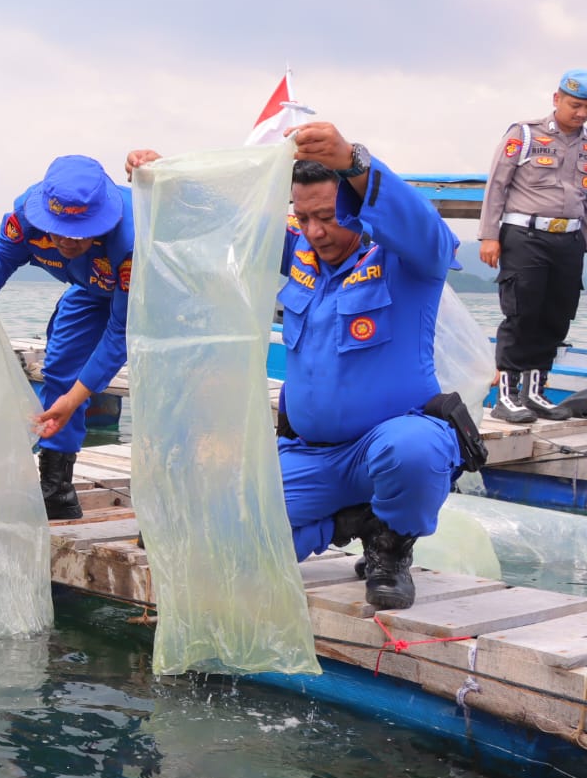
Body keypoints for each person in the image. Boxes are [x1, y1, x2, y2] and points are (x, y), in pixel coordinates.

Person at [129, 123, 465, 610]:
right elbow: (230, 220)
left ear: (353, 205)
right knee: (222, 547)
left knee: (414, 451)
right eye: (302, 217)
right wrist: (167, 181)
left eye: (328, 217)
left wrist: (354, 160)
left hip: (389, 443)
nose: (315, 231)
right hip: (312, 455)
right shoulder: (302, 251)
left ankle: (390, 550)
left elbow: (429, 231)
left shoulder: (406, 259)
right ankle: (352, 523)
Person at [0, 156, 134, 521]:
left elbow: (122, 333)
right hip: (90, 287)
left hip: (155, 299)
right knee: (61, 366)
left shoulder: (129, 240)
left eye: (79, 232)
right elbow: (3, 253)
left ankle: (165, 509)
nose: (66, 241)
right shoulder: (27, 215)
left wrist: (76, 398)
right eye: (59, 230)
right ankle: (57, 491)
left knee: (162, 391)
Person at [477, 69, 587, 423]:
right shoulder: (525, 135)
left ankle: (535, 393)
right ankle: (506, 398)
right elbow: (497, 186)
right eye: (575, 105)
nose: (581, 113)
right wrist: (489, 236)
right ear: (557, 100)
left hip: (569, 239)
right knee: (522, 314)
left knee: (555, 317)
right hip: (526, 237)